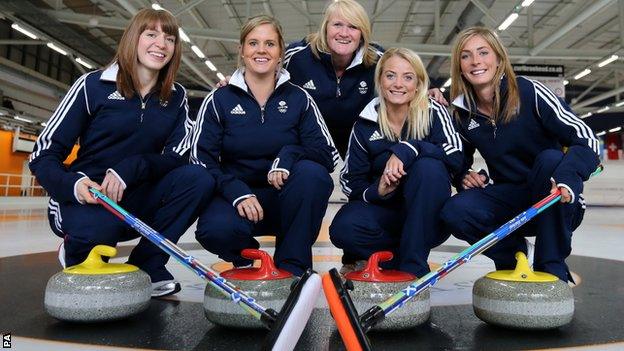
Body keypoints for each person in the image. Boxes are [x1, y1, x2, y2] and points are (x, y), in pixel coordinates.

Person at [29, 8, 215, 297]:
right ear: (133, 39)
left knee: (198, 178)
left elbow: (177, 157)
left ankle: (148, 265)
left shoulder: (176, 97)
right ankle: (76, 248)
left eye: (169, 38)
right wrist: (75, 185)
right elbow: (43, 154)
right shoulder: (93, 86)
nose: (161, 44)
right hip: (93, 197)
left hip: (139, 196)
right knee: (97, 238)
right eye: (151, 34)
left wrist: (131, 169)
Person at [440, 27, 600, 282]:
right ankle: (516, 255)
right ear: (459, 66)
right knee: (455, 210)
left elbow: (586, 138)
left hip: (553, 198)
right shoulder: (462, 113)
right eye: (466, 56)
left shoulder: (529, 92)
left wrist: (569, 175)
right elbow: (456, 159)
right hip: (511, 200)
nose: (476, 61)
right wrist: (463, 176)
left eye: (483, 52)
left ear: (499, 58)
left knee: (550, 159)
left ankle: (551, 265)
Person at [190, 15, 337, 276]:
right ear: (242, 50)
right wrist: (237, 192)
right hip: (237, 199)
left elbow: (326, 154)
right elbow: (200, 159)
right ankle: (245, 254)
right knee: (215, 230)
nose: (261, 50)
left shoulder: (299, 98)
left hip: (285, 200)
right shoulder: (218, 99)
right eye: (253, 43)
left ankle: (292, 267)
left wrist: (289, 155)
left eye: (270, 44)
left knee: (313, 175)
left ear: (280, 52)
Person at [329, 48, 463, 277]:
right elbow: (351, 182)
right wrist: (377, 191)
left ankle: (413, 267)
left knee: (428, 166)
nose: (398, 84)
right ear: (380, 80)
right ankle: (399, 257)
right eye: (390, 75)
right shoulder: (365, 122)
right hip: (386, 218)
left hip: (427, 217)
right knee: (343, 227)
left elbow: (455, 156)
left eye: (408, 77)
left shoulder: (434, 111)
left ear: (418, 83)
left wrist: (410, 148)